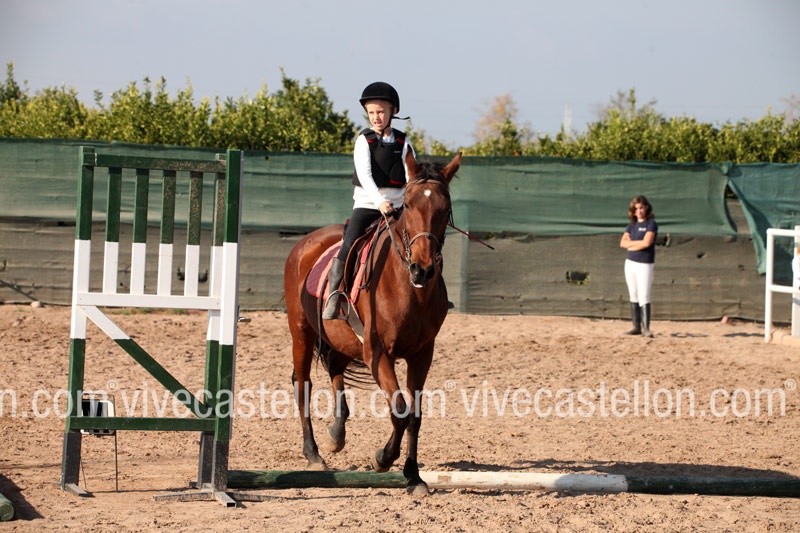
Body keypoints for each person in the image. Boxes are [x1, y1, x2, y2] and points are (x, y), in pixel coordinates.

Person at [322, 81, 415, 320]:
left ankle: (432, 291)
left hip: (398, 208)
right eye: (371, 112)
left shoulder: (404, 143)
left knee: (423, 240)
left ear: (393, 111)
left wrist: (406, 200)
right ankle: (334, 295)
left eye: (381, 112)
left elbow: (410, 176)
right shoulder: (363, 141)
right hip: (368, 206)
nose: (376, 117)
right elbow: (364, 176)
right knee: (349, 243)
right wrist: (380, 202)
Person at [619, 195, 658, 337]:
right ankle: (636, 327)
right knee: (633, 294)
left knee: (644, 295)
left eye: (641, 208)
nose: (639, 211)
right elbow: (622, 243)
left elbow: (647, 243)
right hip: (630, 263)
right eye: (636, 209)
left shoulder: (651, 224)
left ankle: (646, 328)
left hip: (644, 264)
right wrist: (637, 244)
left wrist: (631, 245)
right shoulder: (632, 225)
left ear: (646, 207)